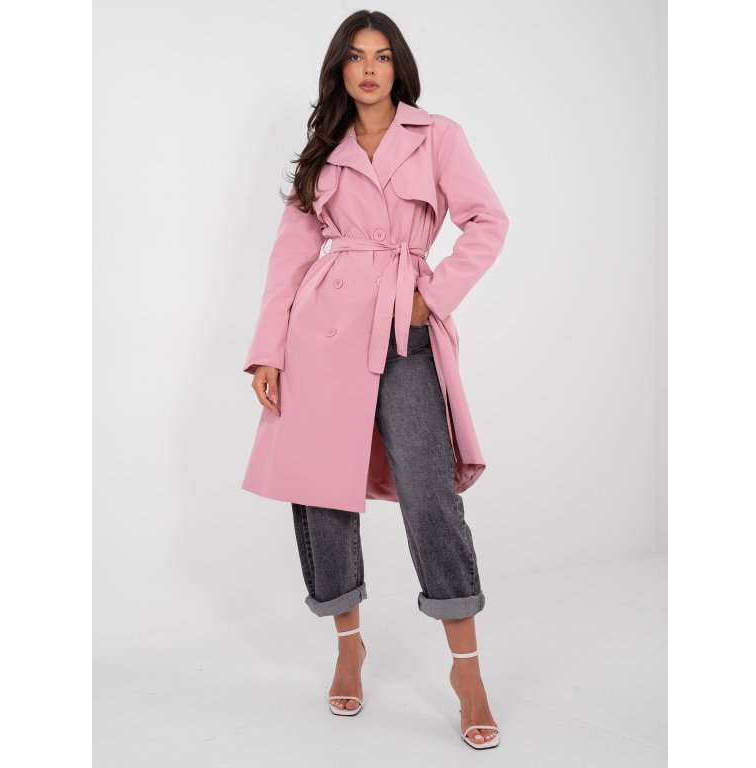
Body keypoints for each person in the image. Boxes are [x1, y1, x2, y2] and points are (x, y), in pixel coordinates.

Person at [241, 10, 509, 750]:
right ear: (340, 68)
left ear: (399, 68)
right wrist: (268, 351)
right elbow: (290, 254)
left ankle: (467, 673)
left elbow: (488, 222)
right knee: (324, 492)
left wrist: (433, 296)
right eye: (356, 57)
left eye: (383, 56)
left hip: (402, 326)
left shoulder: (437, 135)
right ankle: (348, 645)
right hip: (322, 331)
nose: (369, 69)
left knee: (430, 495)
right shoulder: (322, 149)